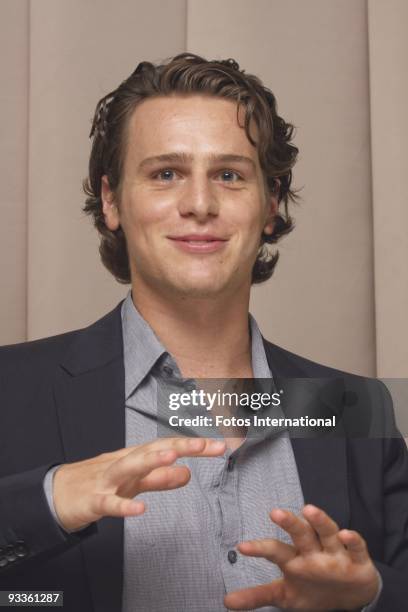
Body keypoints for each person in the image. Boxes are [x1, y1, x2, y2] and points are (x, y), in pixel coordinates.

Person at [0, 53, 407, 612]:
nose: (199, 205)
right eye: (166, 173)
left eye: (230, 175)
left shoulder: (356, 409)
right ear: (113, 200)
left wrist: (372, 595)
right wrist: (43, 504)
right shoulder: (11, 391)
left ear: (270, 204)